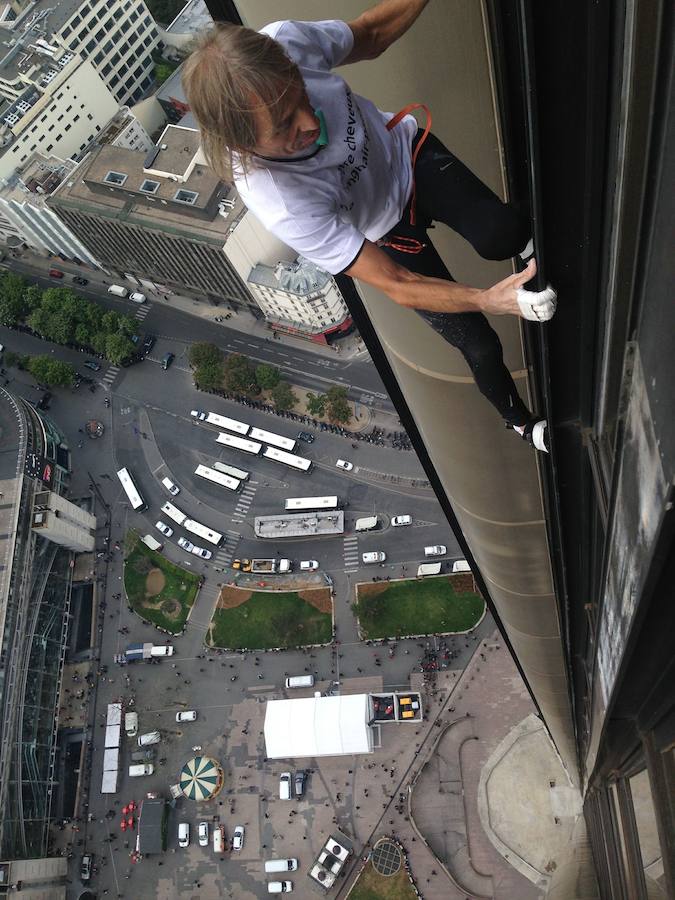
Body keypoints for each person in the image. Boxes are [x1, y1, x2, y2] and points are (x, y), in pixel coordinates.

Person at [182, 1, 556, 452]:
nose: (308, 121)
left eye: (300, 91)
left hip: (405, 153)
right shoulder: (281, 199)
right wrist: (488, 298)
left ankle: (526, 241)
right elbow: (397, 282)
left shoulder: (286, 41)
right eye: (283, 126)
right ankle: (520, 423)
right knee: (478, 344)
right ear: (243, 143)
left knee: (501, 236)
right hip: (384, 229)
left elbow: (371, 34)